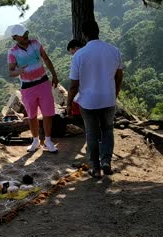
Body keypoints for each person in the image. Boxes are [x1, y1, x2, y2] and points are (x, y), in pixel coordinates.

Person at [67, 20, 123, 178]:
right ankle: (106, 161)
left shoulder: (79, 55)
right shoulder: (114, 51)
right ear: (99, 31)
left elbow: (73, 85)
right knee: (107, 130)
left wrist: (69, 104)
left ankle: (96, 168)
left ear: (84, 35)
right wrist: (114, 94)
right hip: (108, 99)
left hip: (88, 102)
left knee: (92, 134)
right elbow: (119, 78)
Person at [7, 24, 59, 153]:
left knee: (48, 114)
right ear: (15, 37)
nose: (26, 36)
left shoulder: (35, 43)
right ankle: (35, 141)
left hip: (43, 83)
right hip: (27, 87)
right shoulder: (12, 52)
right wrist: (19, 70)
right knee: (32, 116)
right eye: (22, 35)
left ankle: (48, 140)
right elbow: (11, 72)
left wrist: (54, 75)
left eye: (26, 33)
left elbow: (46, 58)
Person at [66, 39, 83, 118]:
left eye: (72, 52)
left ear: (75, 48)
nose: (72, 55)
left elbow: (74, 85)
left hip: (88, 96)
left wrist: (68, 104)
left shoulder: (77, 58)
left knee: (75, 101)